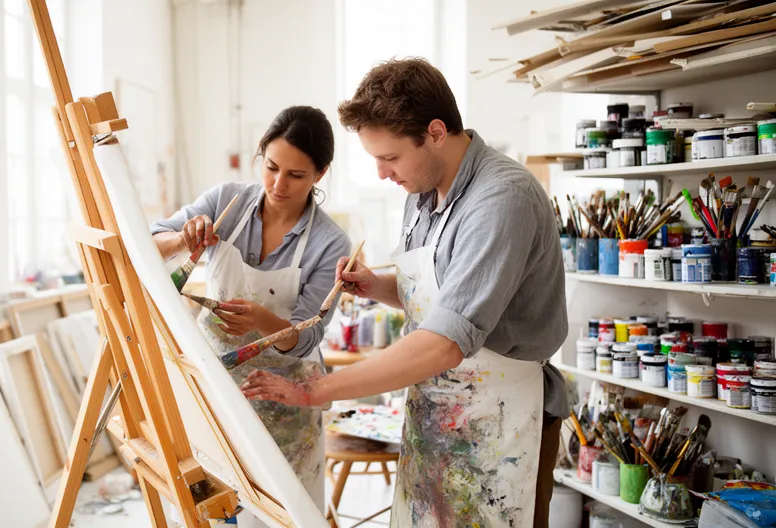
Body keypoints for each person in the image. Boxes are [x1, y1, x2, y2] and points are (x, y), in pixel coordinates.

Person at [240, 58, 567, 528]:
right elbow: (443, 296)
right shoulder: (423, 186)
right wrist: (377, 287)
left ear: (435, 132)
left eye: (389, 158)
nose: (381, 173)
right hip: (437, 410)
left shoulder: (502, 199)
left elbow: (444, 340)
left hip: (502, 418)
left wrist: (317, 391)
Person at [150, 106, 352, 527]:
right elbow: (148, 243)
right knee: (207, 507)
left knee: (279, 513)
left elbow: (308, 336)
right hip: (217, 385)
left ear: (320, 174)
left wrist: (261, 319)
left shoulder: (329, 242)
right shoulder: (228, 201)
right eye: (272, 167)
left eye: (296, 175)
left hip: (285, 397)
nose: (279, 184)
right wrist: (181, 239)